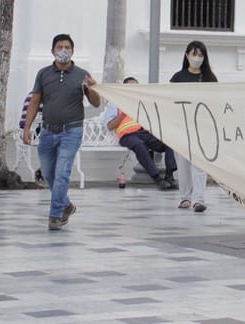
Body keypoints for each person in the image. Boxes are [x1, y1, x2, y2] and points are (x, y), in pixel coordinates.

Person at [22, 34, 101, 231]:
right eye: (60, 47)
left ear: (72, 51)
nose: (64, 50)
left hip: (71, 131)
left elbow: (96, 102)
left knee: (62, 173)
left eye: (67, 47)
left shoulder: (82, 74)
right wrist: (27, 127)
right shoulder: (43, 74)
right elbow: (35, 102)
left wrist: (91, 88)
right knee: (48, 173)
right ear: (52, 51)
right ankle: (66, 205)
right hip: (48, 131)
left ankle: (56, 215)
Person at [104, 77, 178, 190]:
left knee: (169, 141)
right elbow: (110, 126)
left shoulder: (141, 102)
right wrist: (124, 113)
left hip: (144, 133)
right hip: (127, 135)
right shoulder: (116, 102)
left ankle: (169, 176)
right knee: (139, 145)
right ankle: (157, 178)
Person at [170, 41, 218, 212]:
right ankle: (185, 197)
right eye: (194, 54)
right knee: (182, 165)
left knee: (199, 165)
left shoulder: (210, 78)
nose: (197, 58)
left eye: (200, 55)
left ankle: (199, 199)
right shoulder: (177, 78)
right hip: (181, 127)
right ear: (187, 55)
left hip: (202, 127)